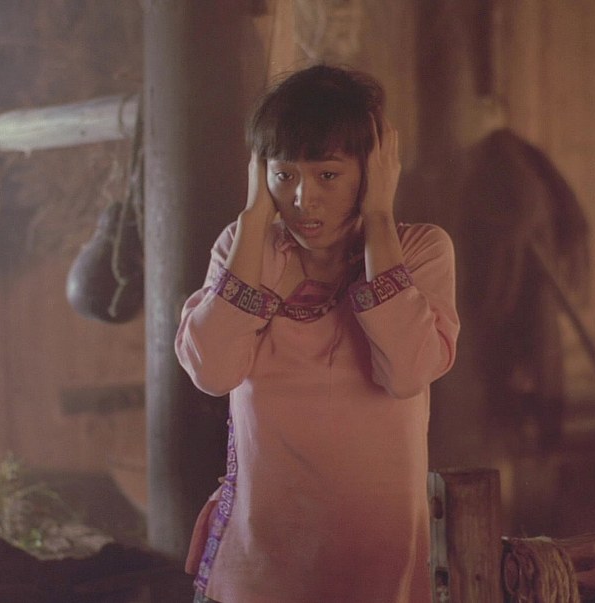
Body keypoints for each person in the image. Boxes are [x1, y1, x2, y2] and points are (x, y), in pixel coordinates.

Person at [175, 64, 459, 603]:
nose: (304, 199)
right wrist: (254, 219)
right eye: (285, 175)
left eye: (328, 175)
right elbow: (212, 372)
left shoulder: (421, 250)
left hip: (377, 559)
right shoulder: (245, 249)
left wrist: (379, 218)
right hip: (261, 558)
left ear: (371, 171)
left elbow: (406, 374)